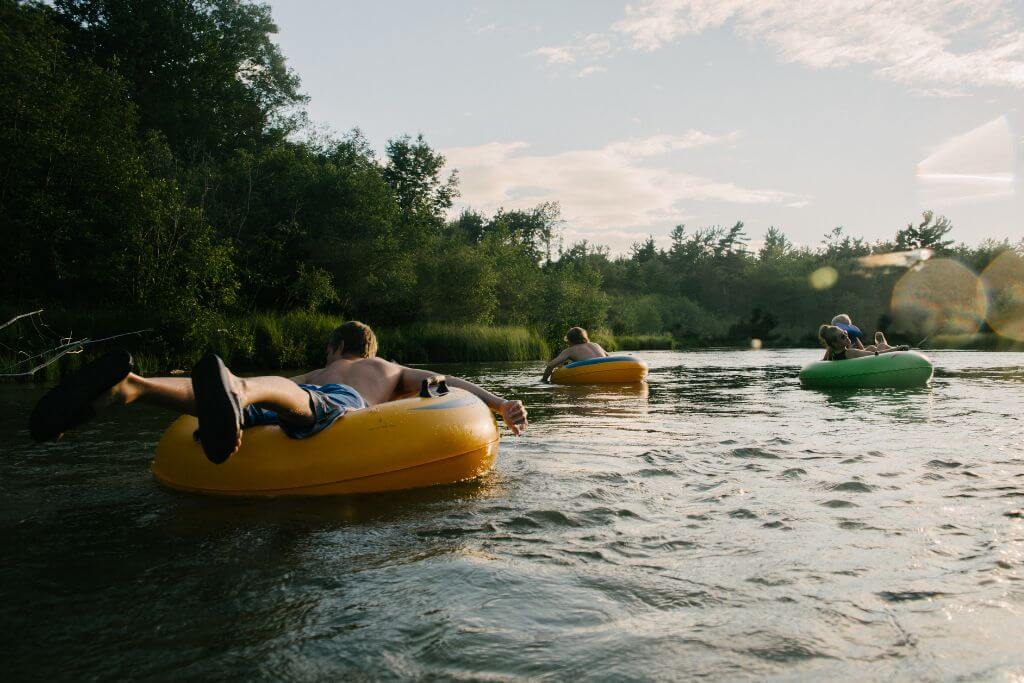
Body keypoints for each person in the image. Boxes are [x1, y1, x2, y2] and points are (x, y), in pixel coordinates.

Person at [29, 321, 528, 464]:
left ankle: (136, 388)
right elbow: (449, 385)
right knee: (285, 398)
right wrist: (499, 402)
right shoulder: (387, 368)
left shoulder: (319, 370)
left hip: (291, 400)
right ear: (368, 348)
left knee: (273, 393)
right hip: (331, 409)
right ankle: (134, 389)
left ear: (335, 346)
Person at [541, 326, 608, 382]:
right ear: (584, 337)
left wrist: (543, 381)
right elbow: (608, 357)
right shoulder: (595, 344)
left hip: (592, 374)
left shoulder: (570, 350)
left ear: (569, 340)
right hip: (607, 371)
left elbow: (550, 366)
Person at [818, 324, 908, 361]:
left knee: (872, 347)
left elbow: (823, 360)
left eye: (845, 333)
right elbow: (875, 354)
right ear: (835, 344)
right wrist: (897, 349)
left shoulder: (832, 353)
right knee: (878, 347)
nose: (846, 336)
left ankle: (882, 343)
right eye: (842, 336)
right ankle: (883, 343)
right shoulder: (850, 352)